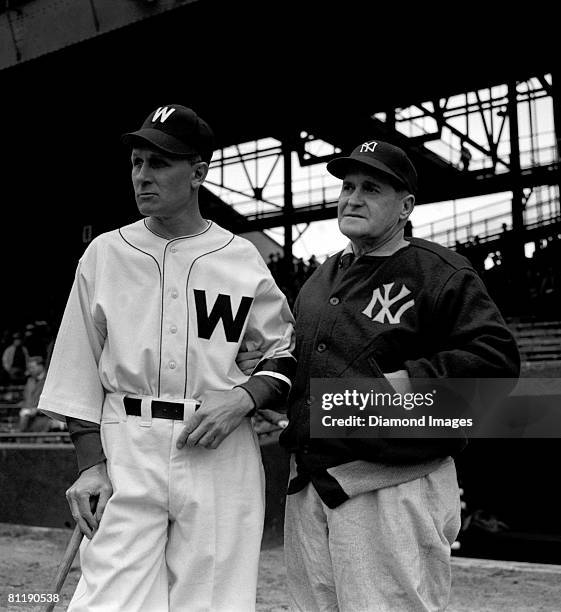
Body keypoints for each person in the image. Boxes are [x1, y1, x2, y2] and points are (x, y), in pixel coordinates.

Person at [240, 139, 520, 610]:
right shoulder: (321, 279)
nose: (352, 197)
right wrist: (272, 393)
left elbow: (497, 363)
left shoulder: (439, 271)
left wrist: (408, 381)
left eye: (372, 188)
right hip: (313, 485)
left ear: (406, 206)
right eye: (347, 186)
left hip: (394, 486)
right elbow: (310, 367)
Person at [38, 104, 295, 612]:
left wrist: (243, 398)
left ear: (198, 173)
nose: (142, 176)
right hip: (127, 443)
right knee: (107, 603)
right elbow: (77, 367)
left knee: (215, 601)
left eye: (159, 163)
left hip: (218, 448)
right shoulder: (105, 253)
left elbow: (284, 353)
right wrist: (91, 466)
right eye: (136, 162)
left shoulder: (240, 257)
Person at [18, 355, 50, 432]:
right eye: (29, 368)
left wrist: (36, 410)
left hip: (43, 419)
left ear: (40, 366)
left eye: (32, 367)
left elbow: (50, 402)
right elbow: (26, 398)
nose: (30, 370)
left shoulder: (49, 380)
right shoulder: (30, 381)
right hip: (27, 420)